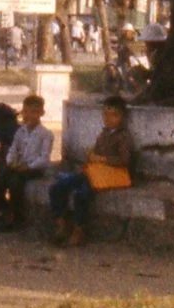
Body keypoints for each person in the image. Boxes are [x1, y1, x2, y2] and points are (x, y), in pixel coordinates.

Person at [48, 95, 133, 247]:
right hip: (93, 172)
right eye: (105, 115)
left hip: (107, 174)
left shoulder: (123, 137)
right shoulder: (103, 134)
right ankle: (60, 223)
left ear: (121, 117)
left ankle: (79, 229)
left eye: (112, 115)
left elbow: (125, 160)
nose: (107, 119)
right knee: (57, 187)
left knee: (82, 195)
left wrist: (103, 159)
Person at [0, 94, 55, 231]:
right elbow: (13, 149)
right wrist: (11, 162)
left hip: (35, 169)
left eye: (33, 112)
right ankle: (6, 211)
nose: (28, 116)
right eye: (26, 112)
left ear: (41, 113)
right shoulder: (21, 131)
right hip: (18, 166)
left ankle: (17, 217)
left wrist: (28, 166)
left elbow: (44, 158)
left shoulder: (46, 134)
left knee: (15, 183)